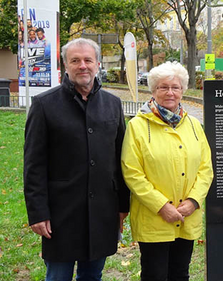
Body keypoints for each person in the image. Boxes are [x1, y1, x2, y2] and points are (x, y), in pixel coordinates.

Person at [24, 38, 130, 281]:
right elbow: (33, 164)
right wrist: (38, 212)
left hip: (102, 210)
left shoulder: (113, 104)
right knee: (58, 276)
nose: (82, 66)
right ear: (65, 65)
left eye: (88, 60)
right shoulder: (44, 105)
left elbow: (120, 158)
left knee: (93, 276)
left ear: (97, 64)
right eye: (75, 61)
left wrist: (123, 205)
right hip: (61, 213)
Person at [121, 61, 213, 281]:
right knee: (155, 275)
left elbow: (205, 168)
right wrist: (161, 206)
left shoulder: (193, 125)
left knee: (180, 273)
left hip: (187, 215)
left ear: (183, 90)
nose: (170, 92)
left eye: (176, 87)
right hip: (154, 218)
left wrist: (193, 201)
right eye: (163, 87)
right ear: (153, 90)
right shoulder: (138, 125)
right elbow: (132, 172)